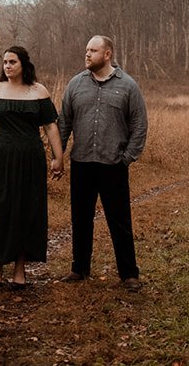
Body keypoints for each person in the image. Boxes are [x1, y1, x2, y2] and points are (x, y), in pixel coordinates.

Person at [0, 45, 64, 290]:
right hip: (0, 160)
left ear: (24, 65)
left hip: (31, 161)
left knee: (26, 210)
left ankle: (20, 271)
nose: (7, 66)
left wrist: (58, 157)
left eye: (12, 62)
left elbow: (51, 127)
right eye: (5, 62)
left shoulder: (38, 91)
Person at [57, 34, 147, 291]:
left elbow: (139, 126)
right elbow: (64, 123)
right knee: (80, 218)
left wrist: (127, 159)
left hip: (113, 165)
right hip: (82, 162)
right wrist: (58, 155)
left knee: (119, 220)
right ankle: (80, 269)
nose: (87, 54)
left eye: (93, 50)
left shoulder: (128, 86)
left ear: (107, 54)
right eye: (86, 50)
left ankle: (129, 274)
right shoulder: (75, 85)